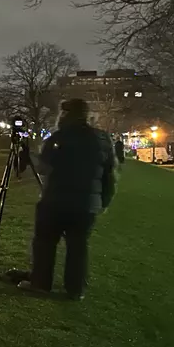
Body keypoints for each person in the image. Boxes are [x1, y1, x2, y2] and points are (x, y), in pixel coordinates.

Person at [21, 98, 115, 299]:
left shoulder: (58, 138)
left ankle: (41, 283)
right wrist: (103, 201)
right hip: (86, 206)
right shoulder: (103, 139)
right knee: (78, 246)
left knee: (45, 242)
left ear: (65, 114)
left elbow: (44, 168)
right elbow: (110, 174)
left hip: (56, 201)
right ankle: (76, 289)